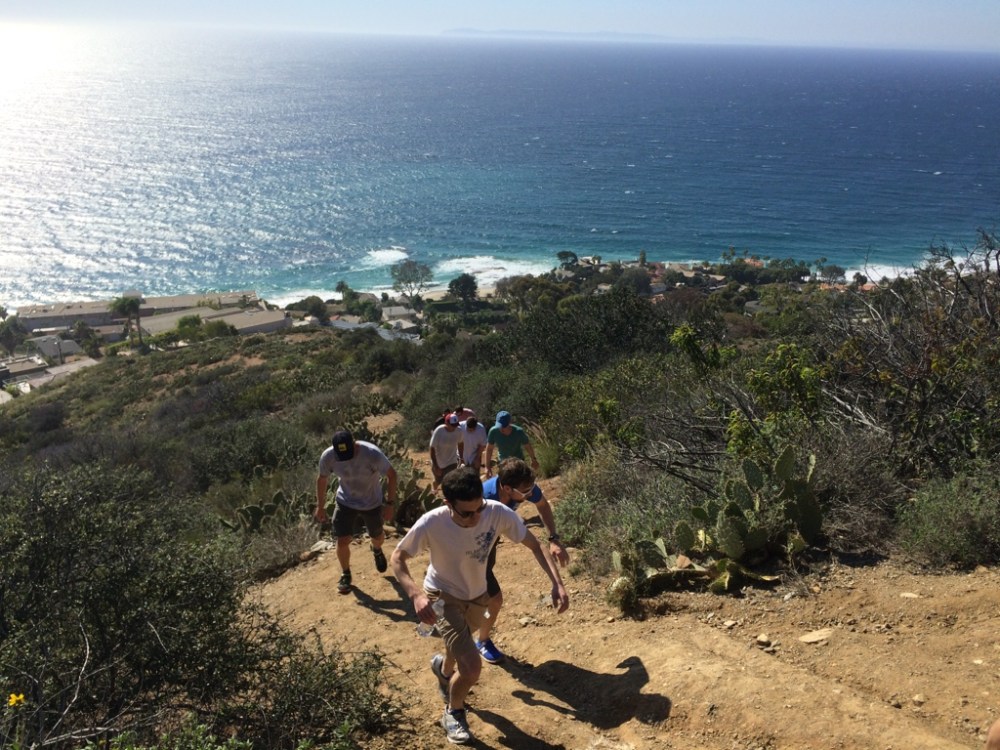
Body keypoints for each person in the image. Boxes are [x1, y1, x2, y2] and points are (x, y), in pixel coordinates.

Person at [390, 466, 569, 745]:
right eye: (467, 513)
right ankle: (454, 711)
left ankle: (444, 671)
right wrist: (415, 594)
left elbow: (534, 545)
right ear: (448, 503)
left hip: (477, 595)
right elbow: (398, 558)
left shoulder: (495, 511)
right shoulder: (432, 522)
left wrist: (557, 583)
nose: (476, 518)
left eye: (479, 509)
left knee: (458, 645)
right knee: (472, 666)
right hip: (441, 595)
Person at [476, 458, 569, 664]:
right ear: (507, 488)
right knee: (486, 599)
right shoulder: (485, 501)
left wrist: (553, 538)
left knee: (492, 597)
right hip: (469, 547)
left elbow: (543, 506)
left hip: (489, 541)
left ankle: (481, 640)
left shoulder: (522, 487)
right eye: (526, 491)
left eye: (530, 489)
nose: (530, 494)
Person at [314, 428, 397, 595]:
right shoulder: (329, 456)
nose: (346, 459)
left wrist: (389, 504)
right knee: (342, 540)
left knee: (378, 537)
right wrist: (321, 506)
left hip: (371, 502)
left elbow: (392, 474)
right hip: (345, 501)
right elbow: (322, 479)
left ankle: (377, 549)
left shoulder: (372, 453)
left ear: (355, 444)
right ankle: (346, 573)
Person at [484, 410, 539, 477]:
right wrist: (487, 467)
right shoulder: (493, 431)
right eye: (499, 426)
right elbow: (489, 449)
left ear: (510, 423)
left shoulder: (518, 432)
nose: (501, 429)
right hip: (503, 463)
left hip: (518, 462)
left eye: (504, 426)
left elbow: (527, 446)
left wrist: (533, 459)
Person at [429, 412, 464, 490]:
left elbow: (461, 444)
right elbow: (432, 448)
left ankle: (448, 499)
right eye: (452, 425)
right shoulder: (439, 431)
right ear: (446, 423)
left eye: (455, 425)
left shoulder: (459, 431)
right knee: (437, 482)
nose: (454, 427)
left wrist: (461, 458)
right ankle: (434, 492)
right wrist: (435, 465)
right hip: (438, 462)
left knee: (449, 482)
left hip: (451, 461)